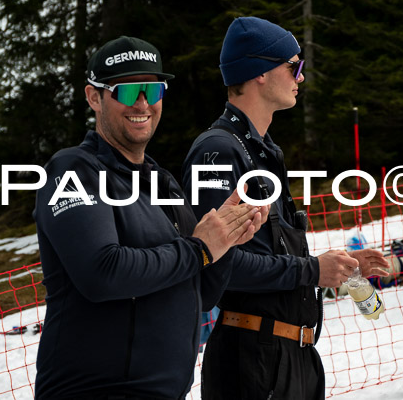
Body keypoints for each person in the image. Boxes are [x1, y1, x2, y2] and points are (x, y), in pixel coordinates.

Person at [34, 36, 267, 399]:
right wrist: (200, 249)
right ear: (94, 97)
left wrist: (227, 241)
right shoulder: (73, 170)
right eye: (126, 92)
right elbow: (101, 273)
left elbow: (199, 293)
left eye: (153, 90)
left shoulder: (164, 183)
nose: (142, 103)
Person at [182, 16, 388, 399]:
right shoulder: (217, 151)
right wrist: (312, 270)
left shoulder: (263, 149)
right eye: (295, 66)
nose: (301, 77)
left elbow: (272, 253)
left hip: (290, 354)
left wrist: (338, 267)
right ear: (259, 72)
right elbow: (217, 265)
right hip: (252, 359)